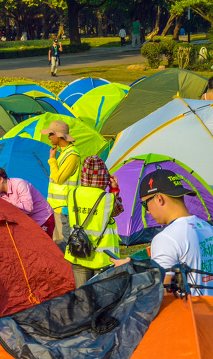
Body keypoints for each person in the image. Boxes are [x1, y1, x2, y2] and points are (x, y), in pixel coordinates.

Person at [114, 173, 213, 291]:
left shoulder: (166, 238)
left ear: (159, 199)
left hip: (187, 309)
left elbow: (161, 294)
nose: (148, 212)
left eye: (145, 204)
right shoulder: (207, 227)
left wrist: (129, 272)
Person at [63, 157, 122, 287]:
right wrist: (114, 189)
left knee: (82, 295)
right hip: (101, 257)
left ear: (83, 174)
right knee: (102, 296)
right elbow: (117, 210)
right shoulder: (107, 198)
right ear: (104, 175)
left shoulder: (72, 193)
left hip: (77, 251)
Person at [0, 167, 55, 234]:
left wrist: (10, 206)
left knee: (43, 245)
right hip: (28, 222)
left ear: (1, 179)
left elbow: (28, 208)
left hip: (43, 218)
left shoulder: (19, 184)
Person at [44, 120, 81, 243]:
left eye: (51, 134)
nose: (49, 137)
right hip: (57, 206)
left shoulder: (72, 155)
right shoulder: (63, 153)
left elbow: (59, 178)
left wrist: (52, 160)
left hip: (63, 207)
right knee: (57, 240)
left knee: (62, 242)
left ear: (59, 136)